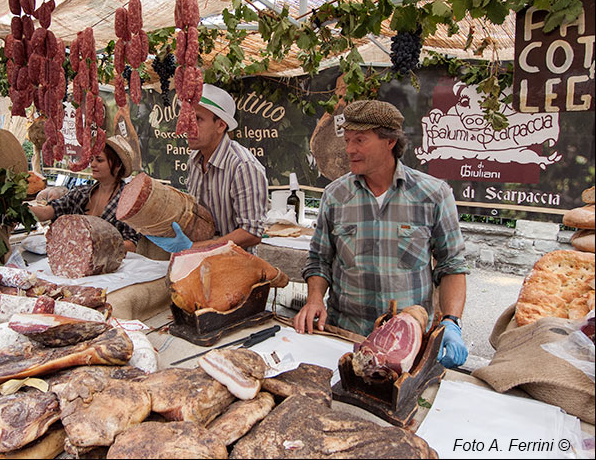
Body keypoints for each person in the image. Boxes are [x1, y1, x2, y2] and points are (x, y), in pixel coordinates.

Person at [293, 100, 470, 369]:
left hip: (406, 345)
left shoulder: (433, 195)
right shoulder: (335, 196)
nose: (350, 149)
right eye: (348, 140)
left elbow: (451, 266)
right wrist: (315, 299)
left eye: (360, 140)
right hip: (344, 337)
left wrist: (451, 321)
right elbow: (319, 259)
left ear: (389, 141)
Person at [146, 84, 268, 254]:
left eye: (198, 119)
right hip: (199, 260)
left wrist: (200, 248)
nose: (188, 126)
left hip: (235, 265)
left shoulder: (243, 166)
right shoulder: (194, 159)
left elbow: (252, 232)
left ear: (221, 125)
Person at [29, 135, 141, 253]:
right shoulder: (80, 194)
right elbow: (48, 211)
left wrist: (95, 245)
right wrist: (22, 210)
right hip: (76, 261)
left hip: (112, 266)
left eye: (99, 160)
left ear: (117, 165)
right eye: (92, 159)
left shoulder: (129, 203)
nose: (92, 164)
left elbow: (131, 245)